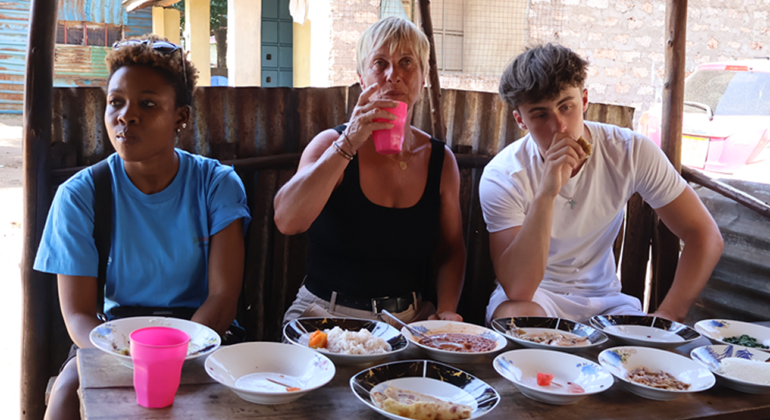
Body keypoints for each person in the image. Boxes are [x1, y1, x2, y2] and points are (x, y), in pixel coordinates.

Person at [33, 35, 251, 420]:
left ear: (180, 117)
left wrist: (175, 354)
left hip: (203, 333)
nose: (126, 115)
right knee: (66, 394)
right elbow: (79, 314)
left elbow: (222, 298)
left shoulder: (216, 184)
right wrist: (126, 357)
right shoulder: (81, 195)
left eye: (147, 104)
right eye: (116, 102)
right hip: (116, 338)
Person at [481, 43, 723, 325]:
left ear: (584, 100)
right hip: (535, 298)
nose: (559, 127)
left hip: (606, 302)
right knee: (519, 321)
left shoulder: (629, 151)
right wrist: (547, 193)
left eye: (566, 106)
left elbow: (704, 235)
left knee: (643, 356)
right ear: (520, 120)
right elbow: (519, 289)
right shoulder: (503, 175)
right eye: (540, 114)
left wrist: (668, 315)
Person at [274, 17, 466, 325]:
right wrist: (348, 143)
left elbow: (451, 249)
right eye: (380, 63)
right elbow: (287, 220)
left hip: (407, 319)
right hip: (323, 312)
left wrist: (445, 311)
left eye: (407, 62)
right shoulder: (331, 144)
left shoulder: (440, 161)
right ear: (362, 78)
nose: (394, 75)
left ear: (423, 77)